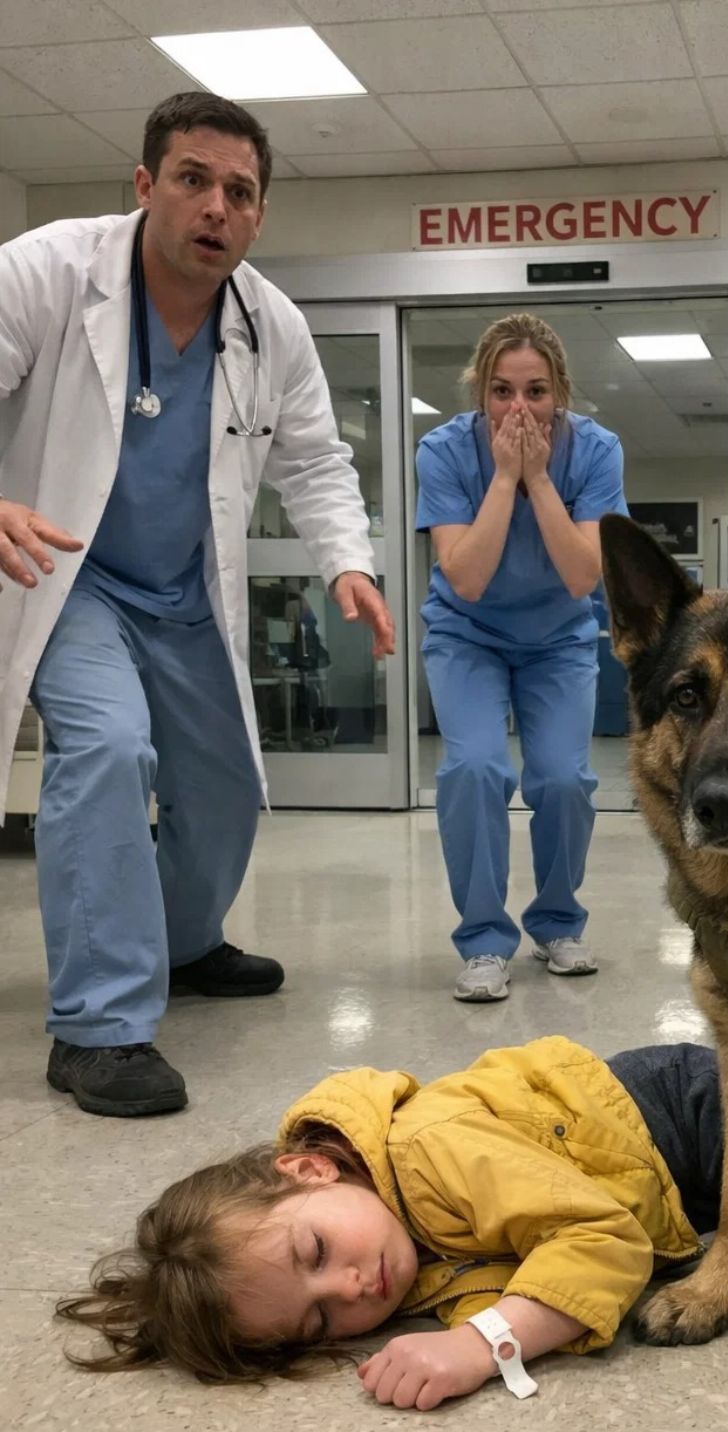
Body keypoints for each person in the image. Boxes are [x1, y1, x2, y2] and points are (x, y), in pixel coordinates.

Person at [57, 1035, 728, 1408]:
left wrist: (481, 1346)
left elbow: (598, 1240)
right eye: (313, 1320)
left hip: (697, 1122)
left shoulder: (429, 1153)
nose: (350, 1291)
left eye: (315, 1252)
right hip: (667, 1175)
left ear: (307, 1168)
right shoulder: (381, 1227)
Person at [0, 93, 395, 1119]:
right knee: (108, 749)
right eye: (193, 179)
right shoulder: (48, 271)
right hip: (70, 577)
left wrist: (348, 563)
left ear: (258, 214)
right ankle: (99, 1026)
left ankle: (180, 944)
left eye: (240, 191)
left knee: (221, 785)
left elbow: (315, 459)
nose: (216, 206)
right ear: (146, 186)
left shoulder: (271, 324)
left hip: (182, 591)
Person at [416, 313, 628, 1003]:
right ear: (480, 391)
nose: (519, 409)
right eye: (501, 391)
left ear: (558, 391)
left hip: (558, 638)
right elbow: (468, 578)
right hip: (466, 634)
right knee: (475, 769)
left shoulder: (596, 451)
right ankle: (483, 940)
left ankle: (558, 923)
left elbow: (583, 576)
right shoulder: (443, 452)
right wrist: (506, 478)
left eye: (536, 392)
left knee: (564, 778)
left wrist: (540, 479)